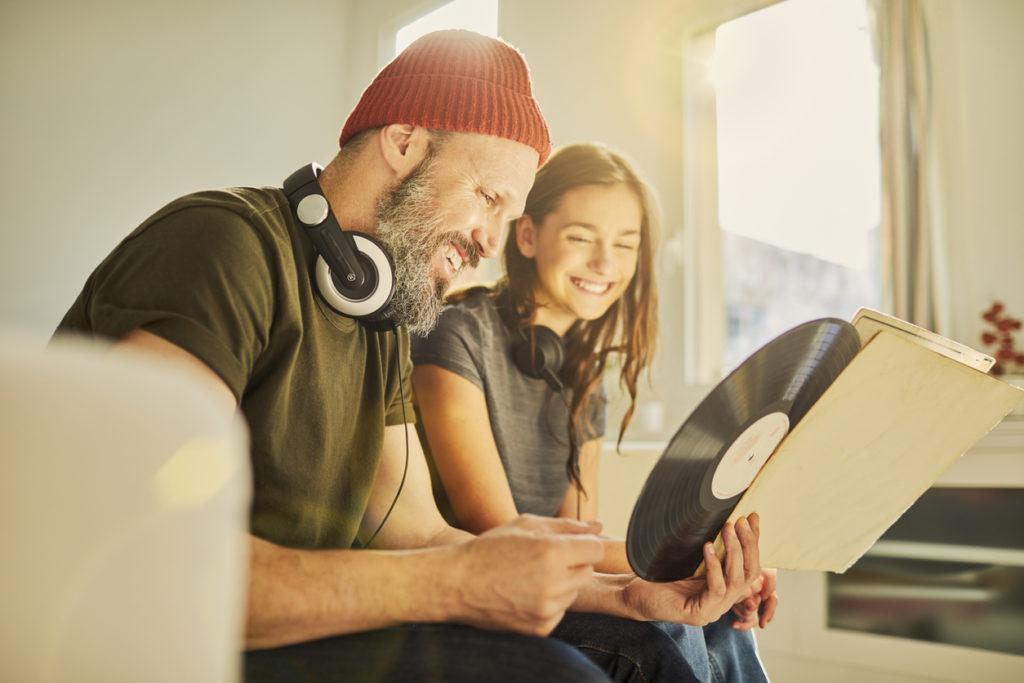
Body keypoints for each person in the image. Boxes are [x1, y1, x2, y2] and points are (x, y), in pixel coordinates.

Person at [53, 30, 764, 682]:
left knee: (650, 641)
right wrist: (459, 583)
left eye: (506, 216)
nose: (490, 241)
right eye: (487, 197)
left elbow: (416, 531)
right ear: (403, 140)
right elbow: (151, 561)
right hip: (164, 645)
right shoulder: (221, 244)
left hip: (297, 635)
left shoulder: (382, 313)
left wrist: (631, 593)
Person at [411, 142, 777, 682]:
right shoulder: (457, 336)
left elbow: (576, 535)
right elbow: (500, 534)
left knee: (717, 622)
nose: (606, 264)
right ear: (528, 235)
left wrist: (714, 572)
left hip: (542, 584)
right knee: (661, 632)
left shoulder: (583, 374)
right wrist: (691, 568)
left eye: (625, 245)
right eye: (582, 238)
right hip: (475, 594)